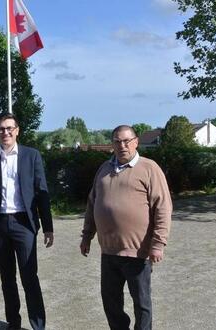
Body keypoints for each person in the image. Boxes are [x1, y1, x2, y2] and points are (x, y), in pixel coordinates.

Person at [80, 125, 172, 330]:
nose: (122, 145)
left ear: (136, 142)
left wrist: (158, 244)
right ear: (112, 144)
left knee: (141, 303)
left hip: (137, 251)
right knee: (111, 302)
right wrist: (87, 236)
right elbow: (92, 204)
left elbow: (163, 208)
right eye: (117, 141)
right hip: (109, 251)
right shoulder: (103, 169)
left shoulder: (149, 169)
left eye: (127, 141)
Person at [0, 113, 54, 330]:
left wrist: (48, 227)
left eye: (9, 128)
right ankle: (14, 323)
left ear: (17, 130)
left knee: (30, 277)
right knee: (7, 279)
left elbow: (42, 193)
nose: (5, 132)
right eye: (1, 129)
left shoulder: (32, 156)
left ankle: (38, 325)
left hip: (24, 224)